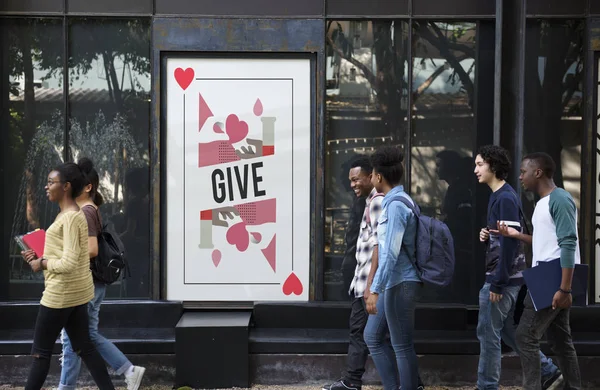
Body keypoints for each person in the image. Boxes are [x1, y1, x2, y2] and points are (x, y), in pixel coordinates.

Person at [474, 146, 562, 390]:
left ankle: (486, 386)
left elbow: (511, 244)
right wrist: (488, 233)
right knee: (503, 330)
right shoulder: (500, 196)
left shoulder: (504, 197)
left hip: (502, 279)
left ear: (493, 166)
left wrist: (498, 282)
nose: (475, 169)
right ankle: (549, 372)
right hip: (505, 278)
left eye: (480, 164)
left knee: (488, 335)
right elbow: (504, 236)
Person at [21, 162, 115, 390]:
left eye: (51, 182)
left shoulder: (72, 217)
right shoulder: (69, 214)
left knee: (40, 354)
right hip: (75, 294)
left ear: (66, 187)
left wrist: (41, 263)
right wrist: (40, 253)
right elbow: (69, 253)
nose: (46, 186)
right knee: (85, 347)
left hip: (60, 295)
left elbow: (71, 261)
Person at [57, 158, 146, 390]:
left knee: (71, 339)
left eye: (73, 183)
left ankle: (65, 387)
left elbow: (92, 249)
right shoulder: (90, 209)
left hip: (86, 283)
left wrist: (62, 257)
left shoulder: (86, 212)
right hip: (94, 283)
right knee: (87, 336)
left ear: (86, 187)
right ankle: (129, 370)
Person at [495, 152, 581, 390]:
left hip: (552, 277)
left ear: (538, 172)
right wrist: (516, 235)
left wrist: (564, 288)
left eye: (524, 172)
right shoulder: (544, 202)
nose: (520, 176)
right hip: (549, 275)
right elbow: (546, 240)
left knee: (525, 336)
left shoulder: (560, 199)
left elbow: (568, 244)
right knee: (561, 341)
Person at [364, 146, 422, 390]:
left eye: (372, 175)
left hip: (401, 282)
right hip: (395, 281)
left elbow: (390, 254)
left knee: (402, 345)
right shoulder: (398, 200)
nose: (371, 179)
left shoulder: (396, 206)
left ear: (379, 177)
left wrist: (374, 289)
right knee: (373, 336)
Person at [322, 157, 383, 390]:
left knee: (362, 333)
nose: (353, 185)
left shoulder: (376, 203)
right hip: (363, 282)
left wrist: (370, 286)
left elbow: (379, 246)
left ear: (371, 176)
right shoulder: (365, 202)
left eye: (357, 179)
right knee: (378, 335)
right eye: (351, 180)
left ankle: (352, 381)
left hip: (369, 284)